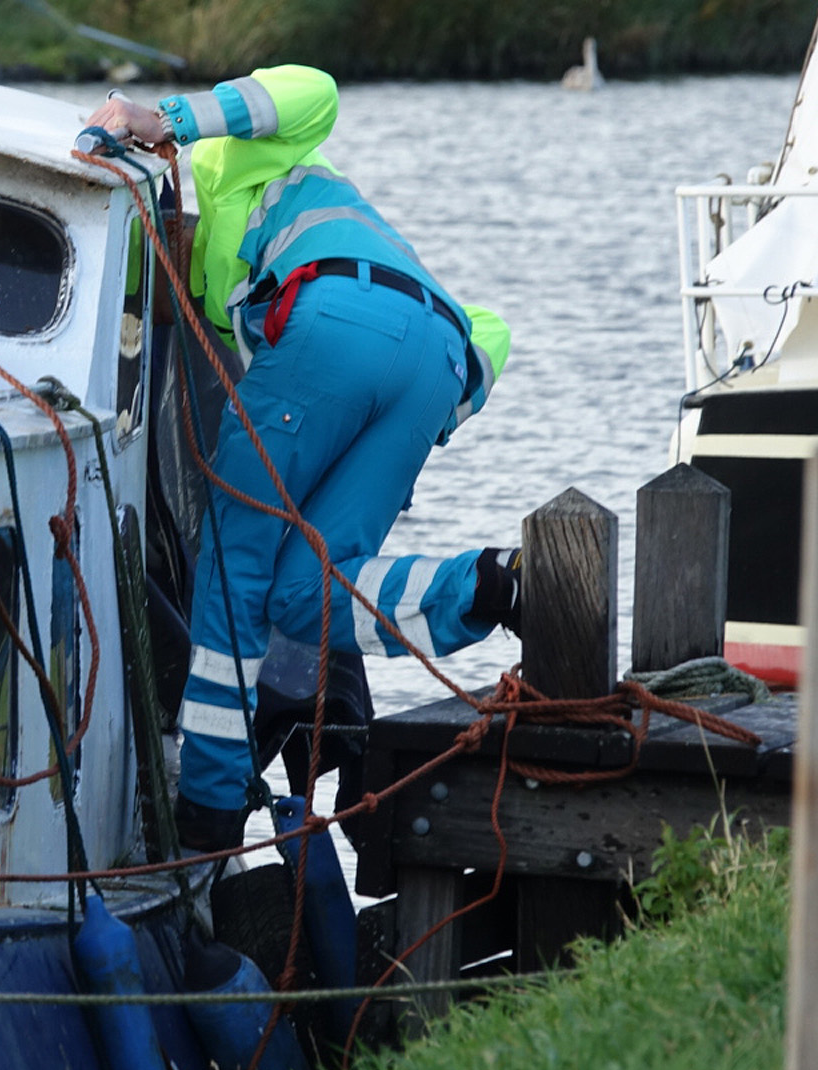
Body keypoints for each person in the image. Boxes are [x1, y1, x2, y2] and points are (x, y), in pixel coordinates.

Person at [85, 66, 520, 851]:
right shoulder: (352, 214)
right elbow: (488, 328)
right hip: (438, 356)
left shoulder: (227, 162)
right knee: (307, 592)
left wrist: (169, 119)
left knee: (232, 564)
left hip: (328, 322)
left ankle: (211, 814)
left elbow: (313, 89)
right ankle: (491, 584)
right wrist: (440, 411)